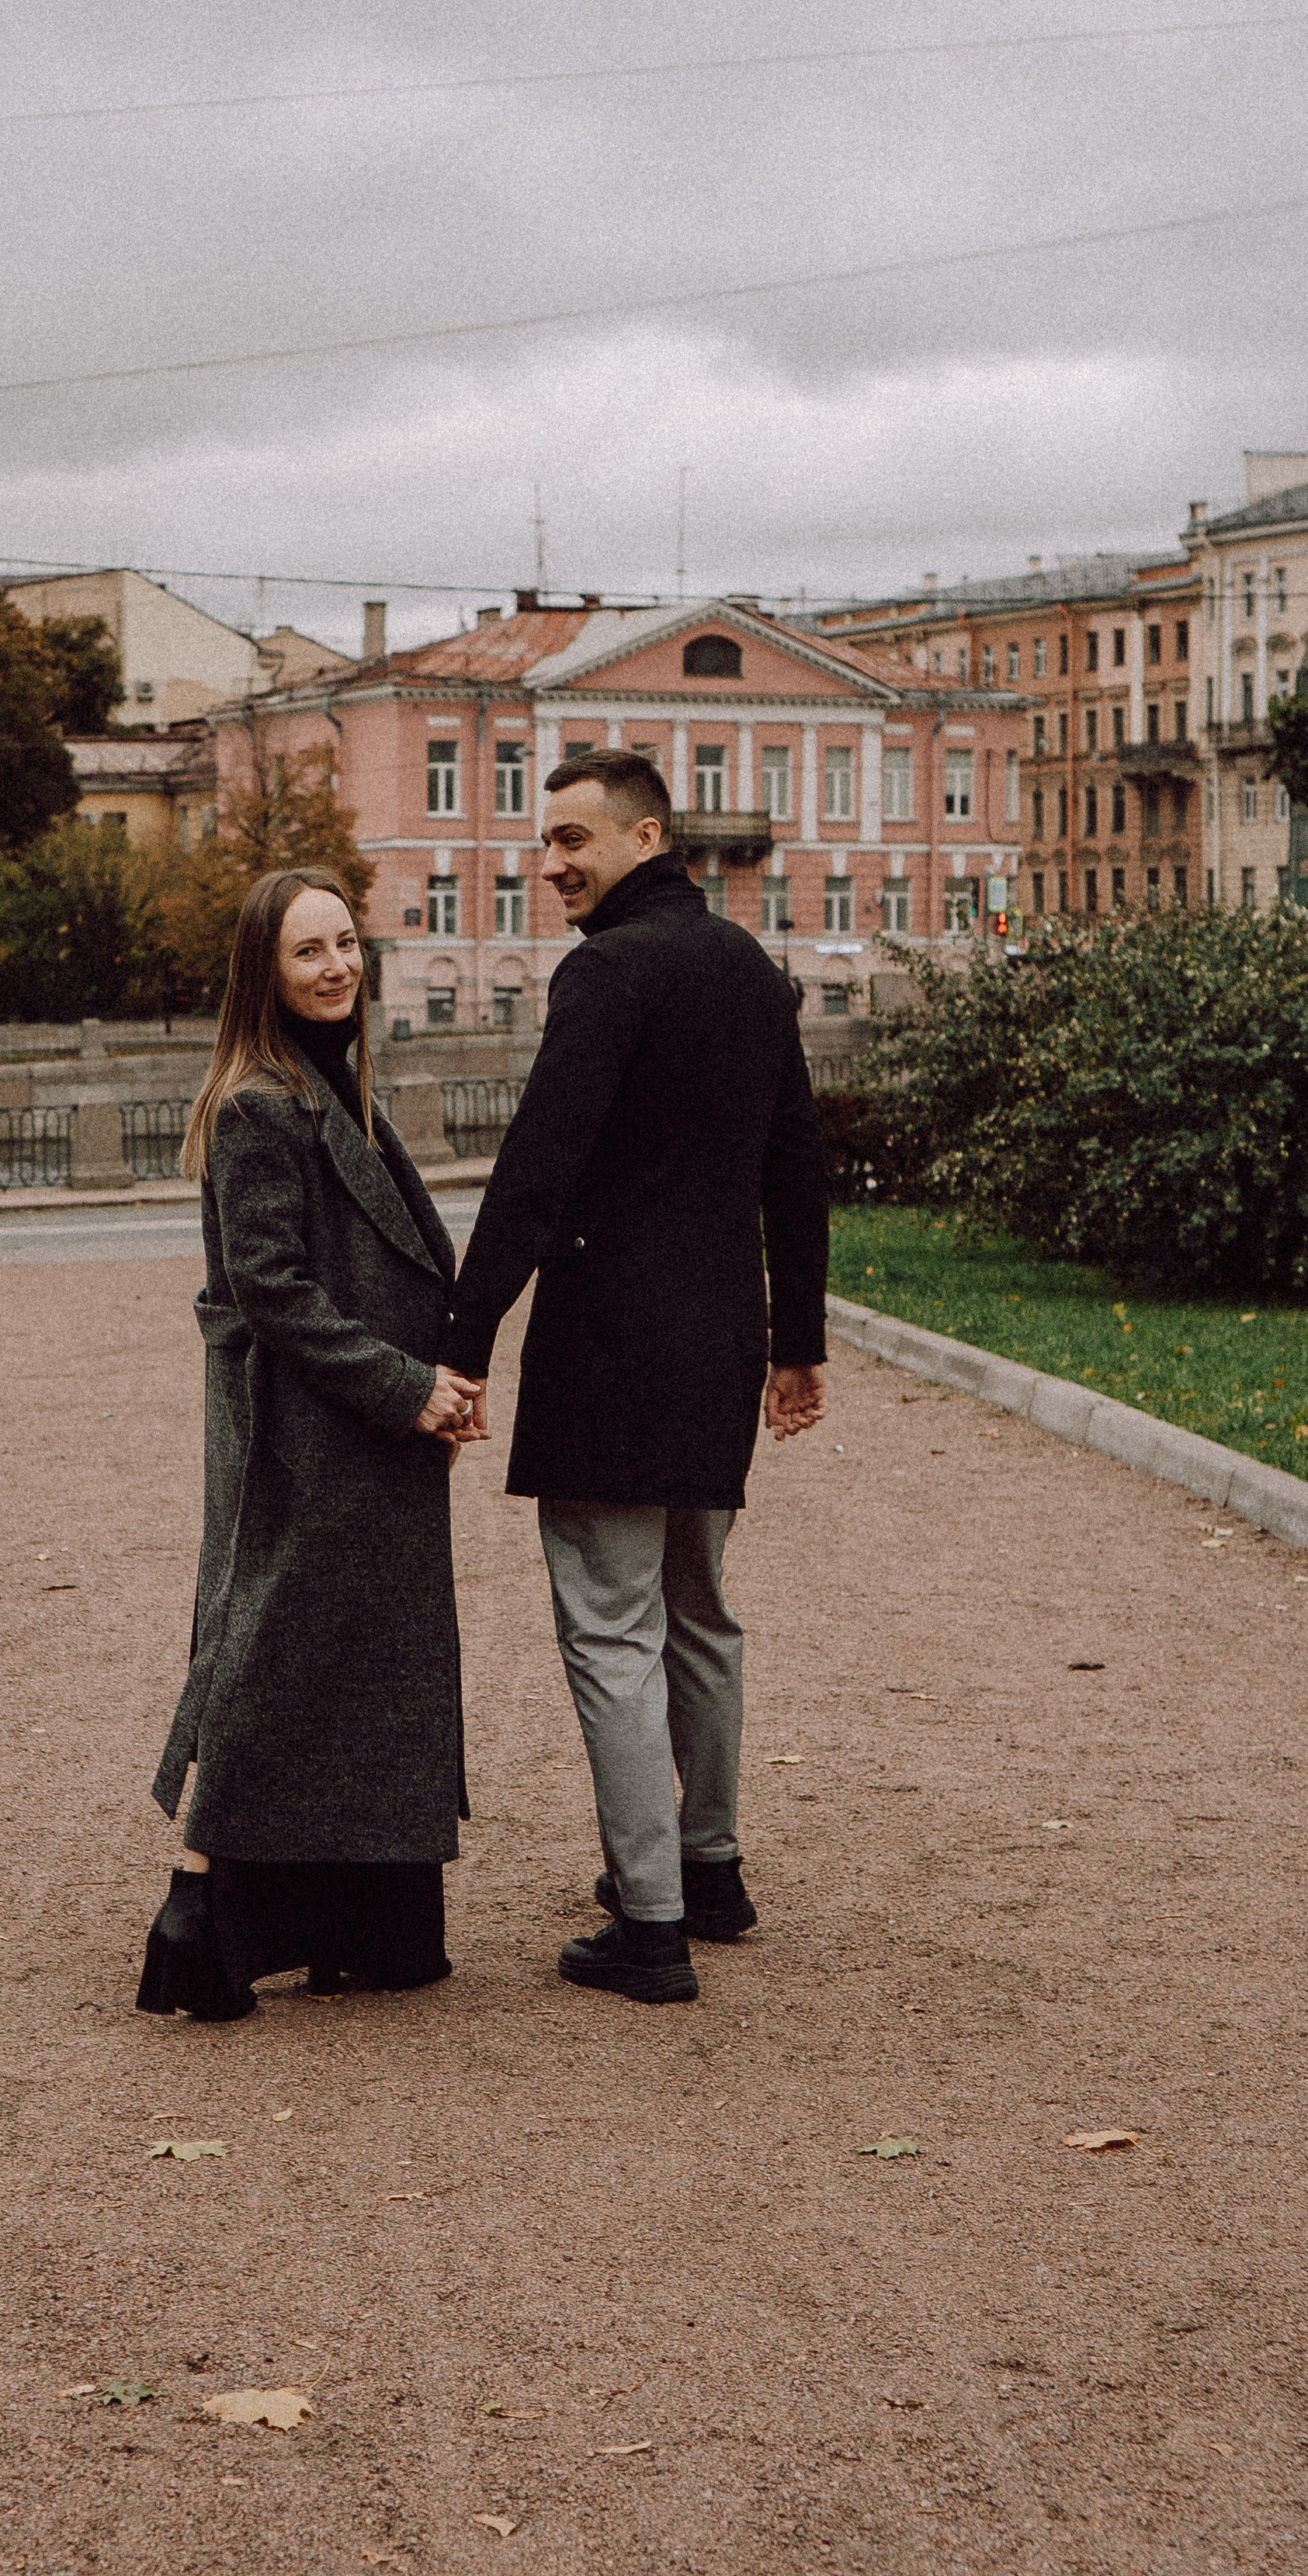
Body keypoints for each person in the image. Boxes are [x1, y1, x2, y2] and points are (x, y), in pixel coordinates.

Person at [444, 750, 827, 2006]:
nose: (551, 864)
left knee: (612, 1624)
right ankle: (709, 1870)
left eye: (573, 840)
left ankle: (650, 1920)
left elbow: (539, 1163)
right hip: (718, 1339)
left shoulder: (606, 972)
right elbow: (796, 1167)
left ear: (645, 835)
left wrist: (465, 1333)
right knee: (700, 1611)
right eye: (543, 843)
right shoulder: (750, 971)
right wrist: (798, 1341)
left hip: (611, 1344)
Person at [138, 865, 480, 2022]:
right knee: (271, 1654)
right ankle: (195, 1911)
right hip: (311, 1434)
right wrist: (403, 1387)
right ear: (264, 974)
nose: (338, 968)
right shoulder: (257, 1105)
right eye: (309, 953)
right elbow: (270, 1290)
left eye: (346, 945)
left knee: (347, 1672)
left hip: (361, 1429)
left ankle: (358, 1926)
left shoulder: (334, 1089)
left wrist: (430, 1382)